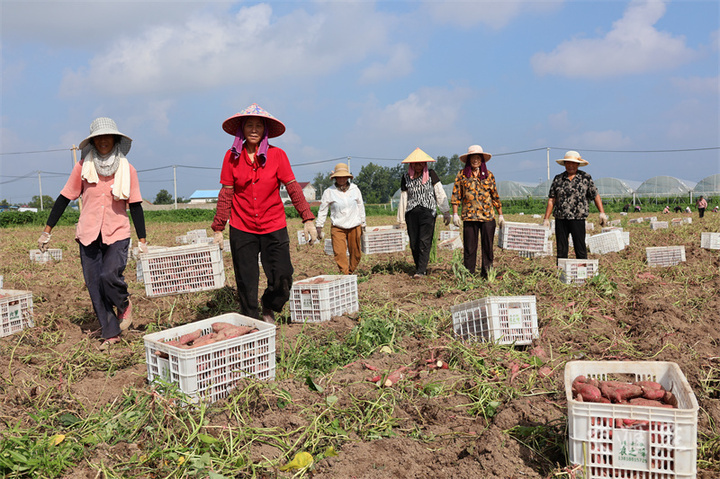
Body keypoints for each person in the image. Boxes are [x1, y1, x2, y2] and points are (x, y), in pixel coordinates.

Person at [38, 117, 147, 349]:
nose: (103, 141)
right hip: (88, 233)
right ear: (93, 142)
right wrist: (47, 231)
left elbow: (136, 205)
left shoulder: (127, 169)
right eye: (98, 138)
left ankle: (124, 303)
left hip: (117, 232)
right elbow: (64, 197)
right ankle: (111, 333)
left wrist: (142, 240)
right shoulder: (82, 167)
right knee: (95, 286)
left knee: (109, 276)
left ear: (115, 140)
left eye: (107, 137)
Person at [210, 104, 317, 324]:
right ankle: (252, 323)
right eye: (249, 125)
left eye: (258, 126)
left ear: (265, 130)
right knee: (246, 282)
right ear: (242, 129)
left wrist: (307, 218)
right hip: (242, 227)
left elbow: (293, 188)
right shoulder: (231, 157)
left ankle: (269, 303)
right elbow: (226, 194)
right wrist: (218, 228)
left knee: (283, 276)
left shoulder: (278, 155)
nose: (254, 129)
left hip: (273, 224)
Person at [450, 144, 504, 278]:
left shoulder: (489, 175)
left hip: (487, 217)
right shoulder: (462, 175)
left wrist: (500, 215)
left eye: (478, 158)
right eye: (473, 158)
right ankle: (469, 274)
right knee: (469, 248)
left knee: (488, 247)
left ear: (482, 160)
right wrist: (455, 214)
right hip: (469, 216)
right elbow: (456, 195)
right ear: (469, 160)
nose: (475, 160)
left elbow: (495, 196)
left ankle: (487, 274)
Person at [542, 151, 607, 260]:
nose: (570, 166)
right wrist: (546, 219)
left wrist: (602, 213)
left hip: (578, 218)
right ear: (564, 164)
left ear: (578, 164)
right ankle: (562, 269)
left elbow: (595, 195)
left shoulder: (585, 178)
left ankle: (582, 268)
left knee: (580, 247)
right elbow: (552, 199)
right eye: (568, 163)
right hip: (561, 218)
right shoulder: (558, 179)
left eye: (573, 163)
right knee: (561, 249)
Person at [396, 148, 451, 278]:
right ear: (411, 164)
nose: (418, 165)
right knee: (414, 243)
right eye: (415, 163)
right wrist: (401, 220)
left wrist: (446, 211)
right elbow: (404, 198)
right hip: (411, 213)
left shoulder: (431, 174)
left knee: (424, 241)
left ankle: (421, 270)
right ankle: (419, 267)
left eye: (421, 163)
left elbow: (439, 192)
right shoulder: (406, 177)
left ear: (425, 164)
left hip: (428, 212)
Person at [315, 163, 366, 275]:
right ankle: (345, 274)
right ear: (335, 178)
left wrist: (363, 223)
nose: (341, 179)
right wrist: (319, 226)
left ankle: (351, 271)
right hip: (338, 226)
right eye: (339, 177)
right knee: (339, 252)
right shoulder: (329, 192)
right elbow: (323, 210)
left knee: (356, 253)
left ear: (347, 177)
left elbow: (360, 206)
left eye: (344, 177)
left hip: (354, 225)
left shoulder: (355, 189)